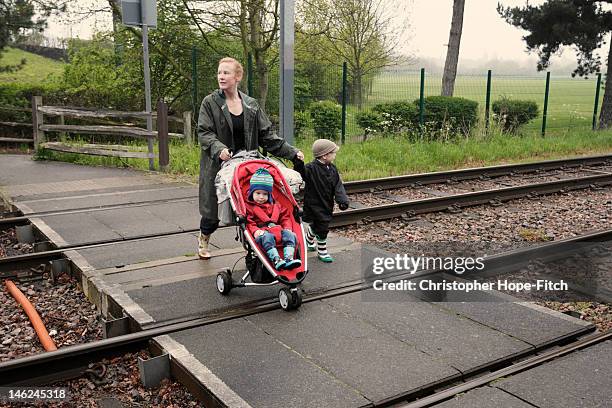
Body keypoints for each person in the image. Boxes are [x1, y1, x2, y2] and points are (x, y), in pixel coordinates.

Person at [197, 57, 304, 259]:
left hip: (248, 163)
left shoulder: (251, 105)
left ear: (238, 77)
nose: (221, 76)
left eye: (226, 73)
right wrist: (219, 148)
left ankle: (260, 244)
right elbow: (204, 132)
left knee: (254, 206)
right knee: (212, 211)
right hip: (219, 164)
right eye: (219, 72)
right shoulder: (210, 103)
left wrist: (292, 152)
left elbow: (267, 136)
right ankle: (204, 237)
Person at [293, 139, 349, 263]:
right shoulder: (311, 168)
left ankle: (308, 239)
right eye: (333, 153)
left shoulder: (332, 168)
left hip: (326, 203)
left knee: (318, 224)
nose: (335, 155)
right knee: (323, 226)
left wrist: (342, 199)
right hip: (313, 203)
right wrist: (298, 162)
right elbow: (301, 173)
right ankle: (322, 250)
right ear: (325, 155)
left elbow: (338, 185)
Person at [245, 168, 302, 270]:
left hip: (278, 231)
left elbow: (285, 217)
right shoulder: (250, 208)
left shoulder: (277, 206)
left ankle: (289, 258)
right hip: (263, 233)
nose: (261, 197)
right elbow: (249, 223)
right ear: (251, 193)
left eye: (265, 194)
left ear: (269, 194)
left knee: (290, 235)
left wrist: (287, 227)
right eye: (258, 193)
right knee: (267, 238)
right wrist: (255, 231)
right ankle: (276, 259)